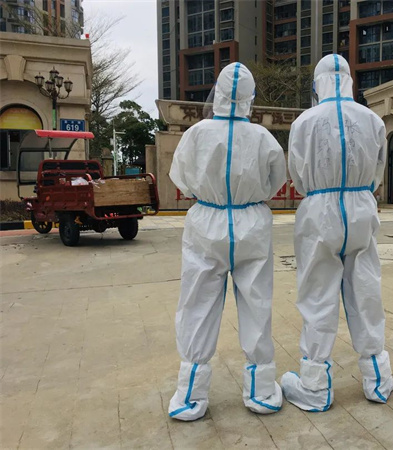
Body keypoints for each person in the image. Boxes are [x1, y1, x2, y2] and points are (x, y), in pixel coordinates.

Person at [168, 62, 286, 421]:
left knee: (197, 303)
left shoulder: (196, 133)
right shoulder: (263, 137)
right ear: (251, 98)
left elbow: (181, 177)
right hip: (252, 222)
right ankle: (262, 391)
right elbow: (276, 180)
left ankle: (190, 395)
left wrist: (209, 194)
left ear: (217, 93)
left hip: (207, 220)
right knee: (257, 303)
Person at [281, 54, 393, 412]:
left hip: (319, 209)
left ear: (316, 84)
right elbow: (378, 170)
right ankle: (378, 379)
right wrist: (359, 190)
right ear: (349, 81)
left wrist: (321, 190)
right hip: (361, 206)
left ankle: (315, 386)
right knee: (366, 292)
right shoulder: (372, 120)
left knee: (318, 296)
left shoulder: (304, 121)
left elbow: (298, 173)